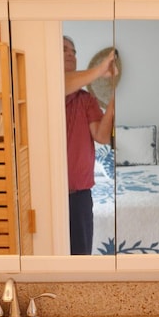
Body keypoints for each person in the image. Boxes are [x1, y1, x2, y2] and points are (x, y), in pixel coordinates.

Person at [63, 36, 116, 254]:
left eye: (73, 51)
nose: (69, 54)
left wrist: (112, 105)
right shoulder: (43, 90)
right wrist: (100, 69)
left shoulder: (86, 99)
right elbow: (59, 84)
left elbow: (102, 137)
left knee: (81, 257)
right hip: (48, 196)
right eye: (64, 49)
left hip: (80, 197)